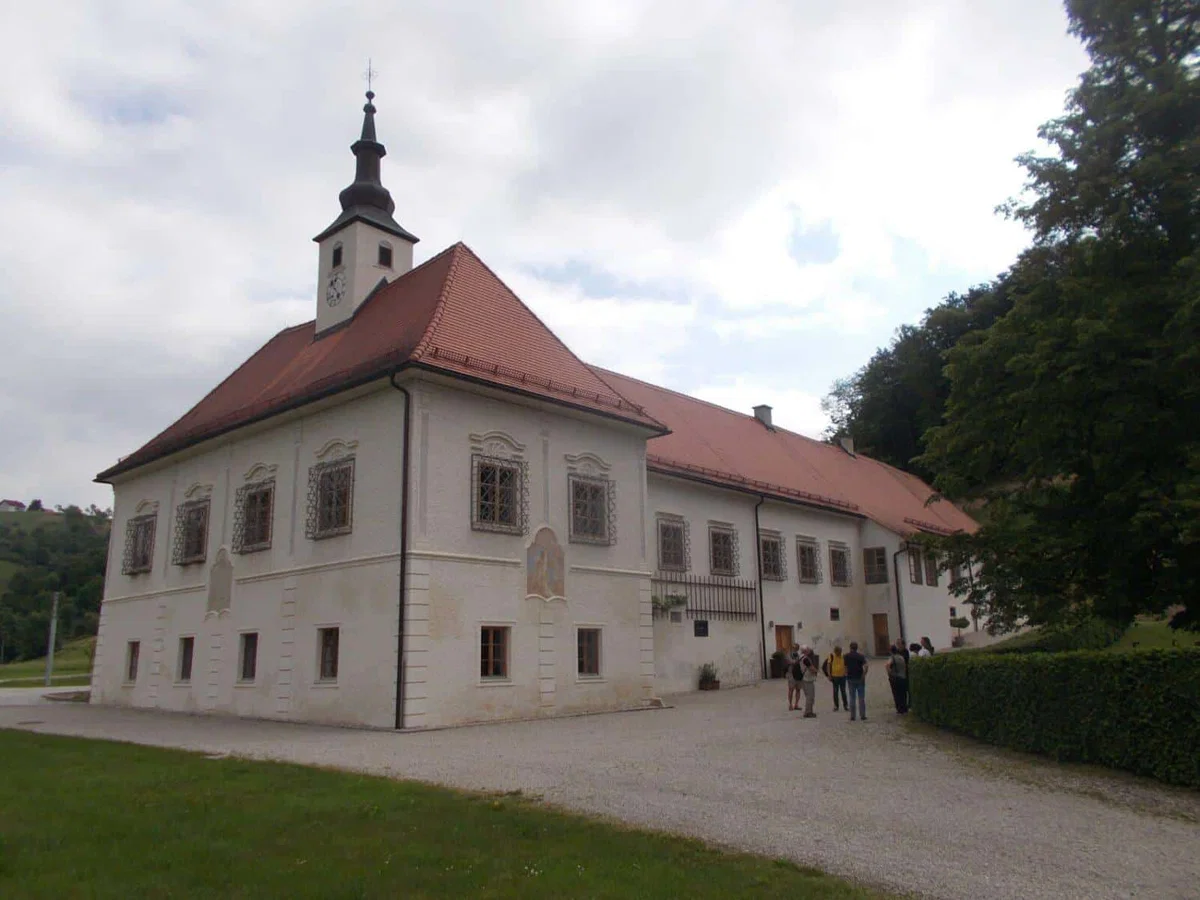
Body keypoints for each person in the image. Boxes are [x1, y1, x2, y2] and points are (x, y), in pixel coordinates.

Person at [843, 641, 868, 720]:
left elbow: (845, 667)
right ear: (857, 648)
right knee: (861, 698)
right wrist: (864, 674)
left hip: (850, 678)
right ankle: (862, 715)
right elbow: (866, 666)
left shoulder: (846, 656)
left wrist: (846, 674)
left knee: (852, 697)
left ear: (850, 648)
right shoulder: (861, 656)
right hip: (860, 678)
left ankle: (852, 716)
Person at [823, 644, 848, 711]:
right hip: (835, 676)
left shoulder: (843, 656)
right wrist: (829, 675)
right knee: (835, 691)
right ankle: (836, 706)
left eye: (840, 652)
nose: (839, 653)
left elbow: (846, 665)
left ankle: (845, 705)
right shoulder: (831, 656)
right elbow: (828, 666)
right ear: (835, 651)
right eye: (839, 652)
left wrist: (846, 672)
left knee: (843, 691)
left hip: (842, 676)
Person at [886, 641, 909, 714]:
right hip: (903, 677)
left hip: (895, 678)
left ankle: (899, 709)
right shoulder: (901, 657)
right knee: (903, 694)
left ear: (891, 651)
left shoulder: (892, 657)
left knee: (896, 694)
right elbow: (905, 666)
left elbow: (887, 665)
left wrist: (890, 673)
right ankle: (904, 708)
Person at [799, 645, 819, 717]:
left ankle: (809, 711)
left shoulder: (801, 657)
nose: (810, 651)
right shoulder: (805, 659)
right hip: (807, 679)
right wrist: (816, 671)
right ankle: (808, 712)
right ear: (805, 651)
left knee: (809, 696)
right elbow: (811, 668)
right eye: (808, 650)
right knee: (809, 696)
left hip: (806, 679)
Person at [785, 643, 802, 711]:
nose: (796, 649)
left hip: (798, 674)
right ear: (792, 648)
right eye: (794, 647)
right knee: (791, 689)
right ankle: (790, 705)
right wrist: (798, 661)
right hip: (791, 674)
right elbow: (792, 662)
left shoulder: (798, 654)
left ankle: (796, 705)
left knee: (798, 689)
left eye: (797, 648)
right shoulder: (788, 654)